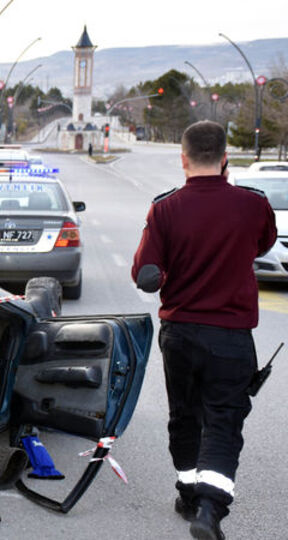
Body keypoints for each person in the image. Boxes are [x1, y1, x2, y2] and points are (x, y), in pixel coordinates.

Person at [131, 120, 276, 540]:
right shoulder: (253, 205)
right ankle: (210, 510)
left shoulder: (165, 209)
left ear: (183, 159)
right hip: (230, 337)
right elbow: (262, 244)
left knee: (185, 415)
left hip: (179, 333)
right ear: (226, 158)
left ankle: (189, 491)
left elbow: (145, 273)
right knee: (224, 421)